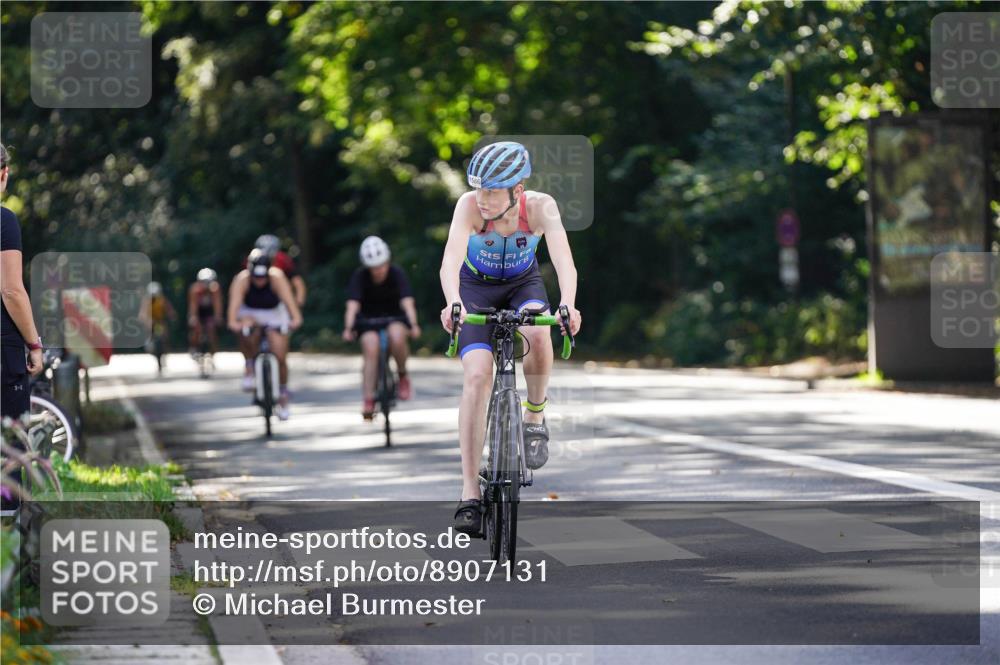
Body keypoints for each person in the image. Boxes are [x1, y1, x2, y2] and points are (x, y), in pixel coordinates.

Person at [439, 141, 582, 535]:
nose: (482, 199)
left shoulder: (540, 207)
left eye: (491, 191)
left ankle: (534, 416)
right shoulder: (469, 207)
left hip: (523, 285)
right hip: (475, 289)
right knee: (476, 375)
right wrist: (453, 303)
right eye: (479, 189)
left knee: (539, 332)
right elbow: (450, 261)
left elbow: (564, 262)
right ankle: (470, 493)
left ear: (517, 191)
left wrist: (568, 305)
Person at [0, 142, 44, 512]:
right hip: (4, 354)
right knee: (9, 452)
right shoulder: (3, 220)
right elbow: (12, 290)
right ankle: (7, 558)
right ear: (4, 175)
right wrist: (34, 343)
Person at [342, 236, 421, 419]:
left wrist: (414, 324)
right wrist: (348, 327)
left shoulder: (397, 273)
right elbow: (352, 306)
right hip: (368, 322)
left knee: (397, 336)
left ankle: (402, 376)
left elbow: (407, 302)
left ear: (387, 261)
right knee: (370, 346)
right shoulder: (360, 277)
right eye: (374, 267)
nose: (378, 270)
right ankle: (368, 399)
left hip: (395, 318)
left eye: (381, 265)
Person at [228, 248, 303, 420]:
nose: (260, 281)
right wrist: (235, 324)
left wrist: (295, 320)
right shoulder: (242, 280)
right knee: (247, 332)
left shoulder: (277, 277)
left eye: (263, 277)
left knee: (280, 353)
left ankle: (283, 393)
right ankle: (250, 366)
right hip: (250, 312)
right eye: (256, 277)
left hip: (274, 313)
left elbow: (290, 304)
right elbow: (233, 310)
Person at [252, 234, 307, 307]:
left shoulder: (282, 260)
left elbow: (297, 280)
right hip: (256, 299)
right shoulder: (252, 260)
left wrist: (299, 301)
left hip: (280, 300)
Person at [139, 281, 176, 373]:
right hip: (151, 322)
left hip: (160, 322)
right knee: (150, 339)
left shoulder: (162, 300)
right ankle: (151, 346)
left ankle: (165, 351)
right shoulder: (146, 301)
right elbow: (142, 314)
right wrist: (147, 321)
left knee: (165, 337)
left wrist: (172, 316)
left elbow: (169, 310)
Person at [188, 268, 223, 355]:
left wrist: (218, 317)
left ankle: (213, 352)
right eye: (203, 282)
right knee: (196, 329)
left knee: (212, 330)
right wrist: (193, 318)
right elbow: (193, 306)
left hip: (209, 312)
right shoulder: (195, 290)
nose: (206, 285)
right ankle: (194, 347)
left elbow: (217, 305)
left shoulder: (215, 289)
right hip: (199, 312)